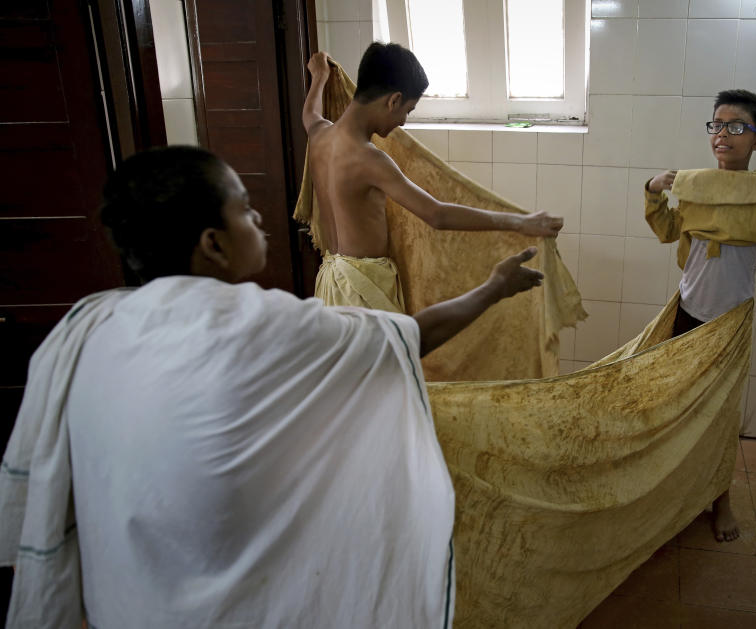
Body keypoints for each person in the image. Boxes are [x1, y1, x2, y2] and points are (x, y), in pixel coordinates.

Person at [0, 146, 546, 628]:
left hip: (127, 602)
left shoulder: (93, 324)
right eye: (242, 206)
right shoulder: (260, 325)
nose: (258, 215)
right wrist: (494, 288)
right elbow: (407, 339)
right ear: (212, 244)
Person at [644, 89, 756, 542]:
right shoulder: (693, 185)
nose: (723, 135)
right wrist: (652, 191)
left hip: (731, 322)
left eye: (737, 127)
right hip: (685, 314)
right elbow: (667, 233)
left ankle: (720, 499)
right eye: (717, 125)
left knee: (720, 416)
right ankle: (670, 492)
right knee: (675, 407)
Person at [301, 44, 564, 312]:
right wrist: (520, 222)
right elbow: (437, 214)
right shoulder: (370, 160)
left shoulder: (319, 135)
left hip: (330, 284)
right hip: (362, 293)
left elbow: (310, 114)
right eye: (408, 109)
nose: (403, 121)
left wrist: (319, 78)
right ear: (393, 100)